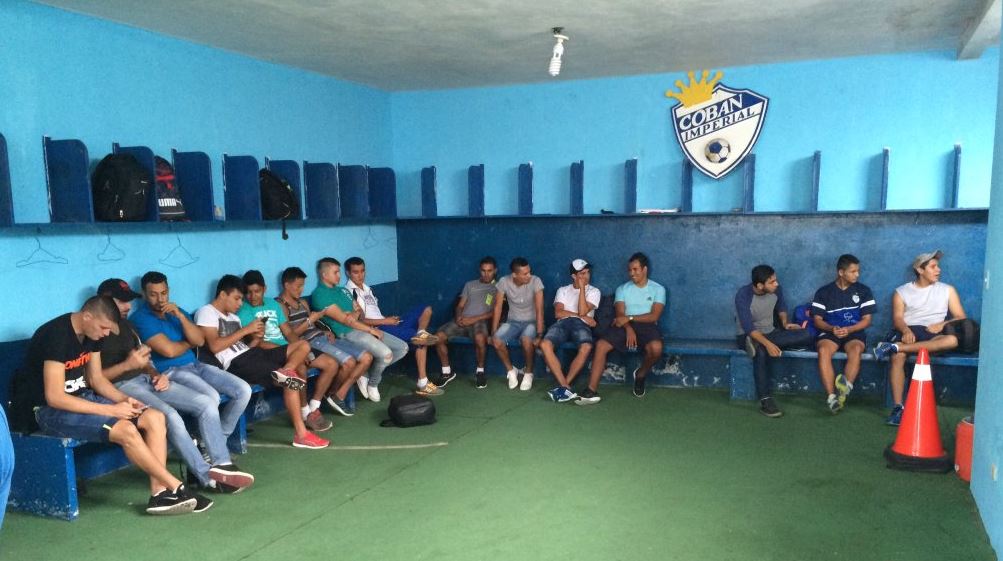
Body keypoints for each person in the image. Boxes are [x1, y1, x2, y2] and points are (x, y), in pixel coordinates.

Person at [7, 296, 210, 514]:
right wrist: (111, 410)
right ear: (87, 316)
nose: (105, 334)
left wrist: (123, 400)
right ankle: (176, 486)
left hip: (83, 398)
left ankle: (159, 494)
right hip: (48, 412)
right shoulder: (56, 335)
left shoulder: (93, 333)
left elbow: (96, 380)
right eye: (103, 328)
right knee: (126, 430)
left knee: (155, 417)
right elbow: (55, 397)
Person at [100, 278, 254, 493]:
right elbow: (95, 378)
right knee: (170, 416)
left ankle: (222, 464)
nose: (128, 306)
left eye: (128, 301)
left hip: (149, 378)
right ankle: (207, 477)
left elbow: (148, 359)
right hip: (124, 386)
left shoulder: (126, 326)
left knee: (206, 403)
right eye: (122, 302)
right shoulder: (97, 332)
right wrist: (130, 365)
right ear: (104, 302)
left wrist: (155, 373)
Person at [195, 275, 328, 449]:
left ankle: (286, 369)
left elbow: (244, 347)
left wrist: (256, 339)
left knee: (302, 345)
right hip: (236, 364)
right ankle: (301, 435)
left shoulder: (233, 318)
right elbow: (214, 346)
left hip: (252, 354)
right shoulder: (207, 312)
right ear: (222, 294)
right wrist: (245, 330)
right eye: (236, 298)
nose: (240, 304)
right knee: (291, 382)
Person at [874, 250, 968, 426]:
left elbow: (961, 317)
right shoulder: (901, 292)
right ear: (919, 269)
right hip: (910, 330)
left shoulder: (947, 290)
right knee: (898, 358)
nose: (938, 270)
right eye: (933, 267)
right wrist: (906, 330)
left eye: (938, 266)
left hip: (934, 332)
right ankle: (898, 408)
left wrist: (942, 325)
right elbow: (898, 318)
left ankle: (893, 347)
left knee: (952, 340)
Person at [239, 270, 333, 432]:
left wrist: (301, 351)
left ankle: (313, 407)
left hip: (289, 348)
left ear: (265, 289)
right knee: (301, 368)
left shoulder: (272, 304)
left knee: (331, 363)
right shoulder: (244, 311)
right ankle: (305, 413)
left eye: (257, 291)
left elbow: (288, 332)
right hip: (270, 350)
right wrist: (291, 352)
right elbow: (258, 343)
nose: (252, 296)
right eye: (248, 292)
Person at [276, 266, 373, 416]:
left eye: (303, 286)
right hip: (307, 344)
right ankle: (318, 404)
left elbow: (313, 325)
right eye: (298, 286)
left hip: (321, 337)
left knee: (366, 357)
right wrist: (309, 321)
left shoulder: (303, 302)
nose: (301, 289)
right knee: (348, 362)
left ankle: (328, 398)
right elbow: (289, 334)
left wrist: (323, 329)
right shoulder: (280, 305)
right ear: (287, 285)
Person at [345, 257, 443, 396]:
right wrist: (386, 322)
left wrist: (387, 319)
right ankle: (423, 383)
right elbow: (361, 321)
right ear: (348, 273)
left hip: (385, 322)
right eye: (356, 272)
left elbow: (375, 313)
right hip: (379, 328)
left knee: (425, 309)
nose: (360, 275)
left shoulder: (368, 289)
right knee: (420, 340)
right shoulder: (349, 293)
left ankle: (421, 332)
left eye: (362, 271)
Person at [578, 252, 665, 405]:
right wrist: (629, 327)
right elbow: (619, 314)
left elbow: (654, 316)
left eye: (635, 269)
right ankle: (591, 390)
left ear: (644, 269)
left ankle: (640, 374)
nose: (632, 273)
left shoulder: (658, 289)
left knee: (656, 348)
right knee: (601, 345)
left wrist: (630, 318)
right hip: (623, 326)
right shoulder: (622, 289)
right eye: (630, 270)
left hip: (647, 326)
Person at [310, 257, 401, 403]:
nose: (339, 276)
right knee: (386, 354)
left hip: (358, 328)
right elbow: (347, 320)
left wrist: (351, 315)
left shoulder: (343, 291)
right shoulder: (320, 295)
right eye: (336, 273)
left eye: (339, 272)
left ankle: (366, 373)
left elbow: (357, 313)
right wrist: (370, 329)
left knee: (402, 348)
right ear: (324, 275)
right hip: (345, 333)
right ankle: (372, 382)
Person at [734, 264, 812, 418]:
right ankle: (765, 401)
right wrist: (768, 345)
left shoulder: (777, 289)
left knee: (806, 334)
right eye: (772, 282)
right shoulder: (743, 295)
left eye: (775, 280)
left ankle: (763, 344)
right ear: (759, 285)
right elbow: (748, 327)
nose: (776, 284)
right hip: (747, 335)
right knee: (761, 352)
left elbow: (781, 307)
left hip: (771, 332)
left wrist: (785, 324)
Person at [810, 255, 875, 414]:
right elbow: (817, 320)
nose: (857, 275)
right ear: (841, 272)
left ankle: (844, 392)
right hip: (830, 332)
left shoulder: (864, 291)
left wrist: (850, 329)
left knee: (855, 350)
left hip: (854, 332)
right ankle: (832, 398)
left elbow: (867, 320)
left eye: (858, 271)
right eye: (853, 271)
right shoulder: (823, 292)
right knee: (824, 350)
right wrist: (832, 329)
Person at [540, 259, 601, 403]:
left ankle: (563, 388)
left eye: (587, 273)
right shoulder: (563, 290)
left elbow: (582, 310)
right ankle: (565, 386)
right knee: (544, 345)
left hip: (581, 325)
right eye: (582, 274)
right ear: (574, 276)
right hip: (563, 324)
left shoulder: (594, 291)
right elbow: (558, 314)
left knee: (586, 347)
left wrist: (581, 291)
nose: (586, 276)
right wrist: (582, 316)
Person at [433, 256, 498, 388]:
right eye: (483, 270)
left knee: (480, 338)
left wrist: (473, 319)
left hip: (480, 321)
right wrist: (458, 317)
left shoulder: (499, 287)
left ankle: (480, 372)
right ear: (479, 270)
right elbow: (460, 305)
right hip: (462, 320)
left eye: (489, 270)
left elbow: (495, 312)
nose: (486, 274)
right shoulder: (470, 285)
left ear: (495, 271)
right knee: (437, 337)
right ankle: (446, 373)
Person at [491, 257, 545, 391]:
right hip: (512, 321)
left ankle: (528, 373)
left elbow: (539, 309)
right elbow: (497, 307)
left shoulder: (536, 281)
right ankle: (511, 371)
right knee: (496, 341)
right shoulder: (503, 282)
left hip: (531, 322)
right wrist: (493, 331)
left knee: (526, 340)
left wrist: (539, 333)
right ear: (514, 274)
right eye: (525, 273)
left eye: (529, 271)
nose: (529, 275)